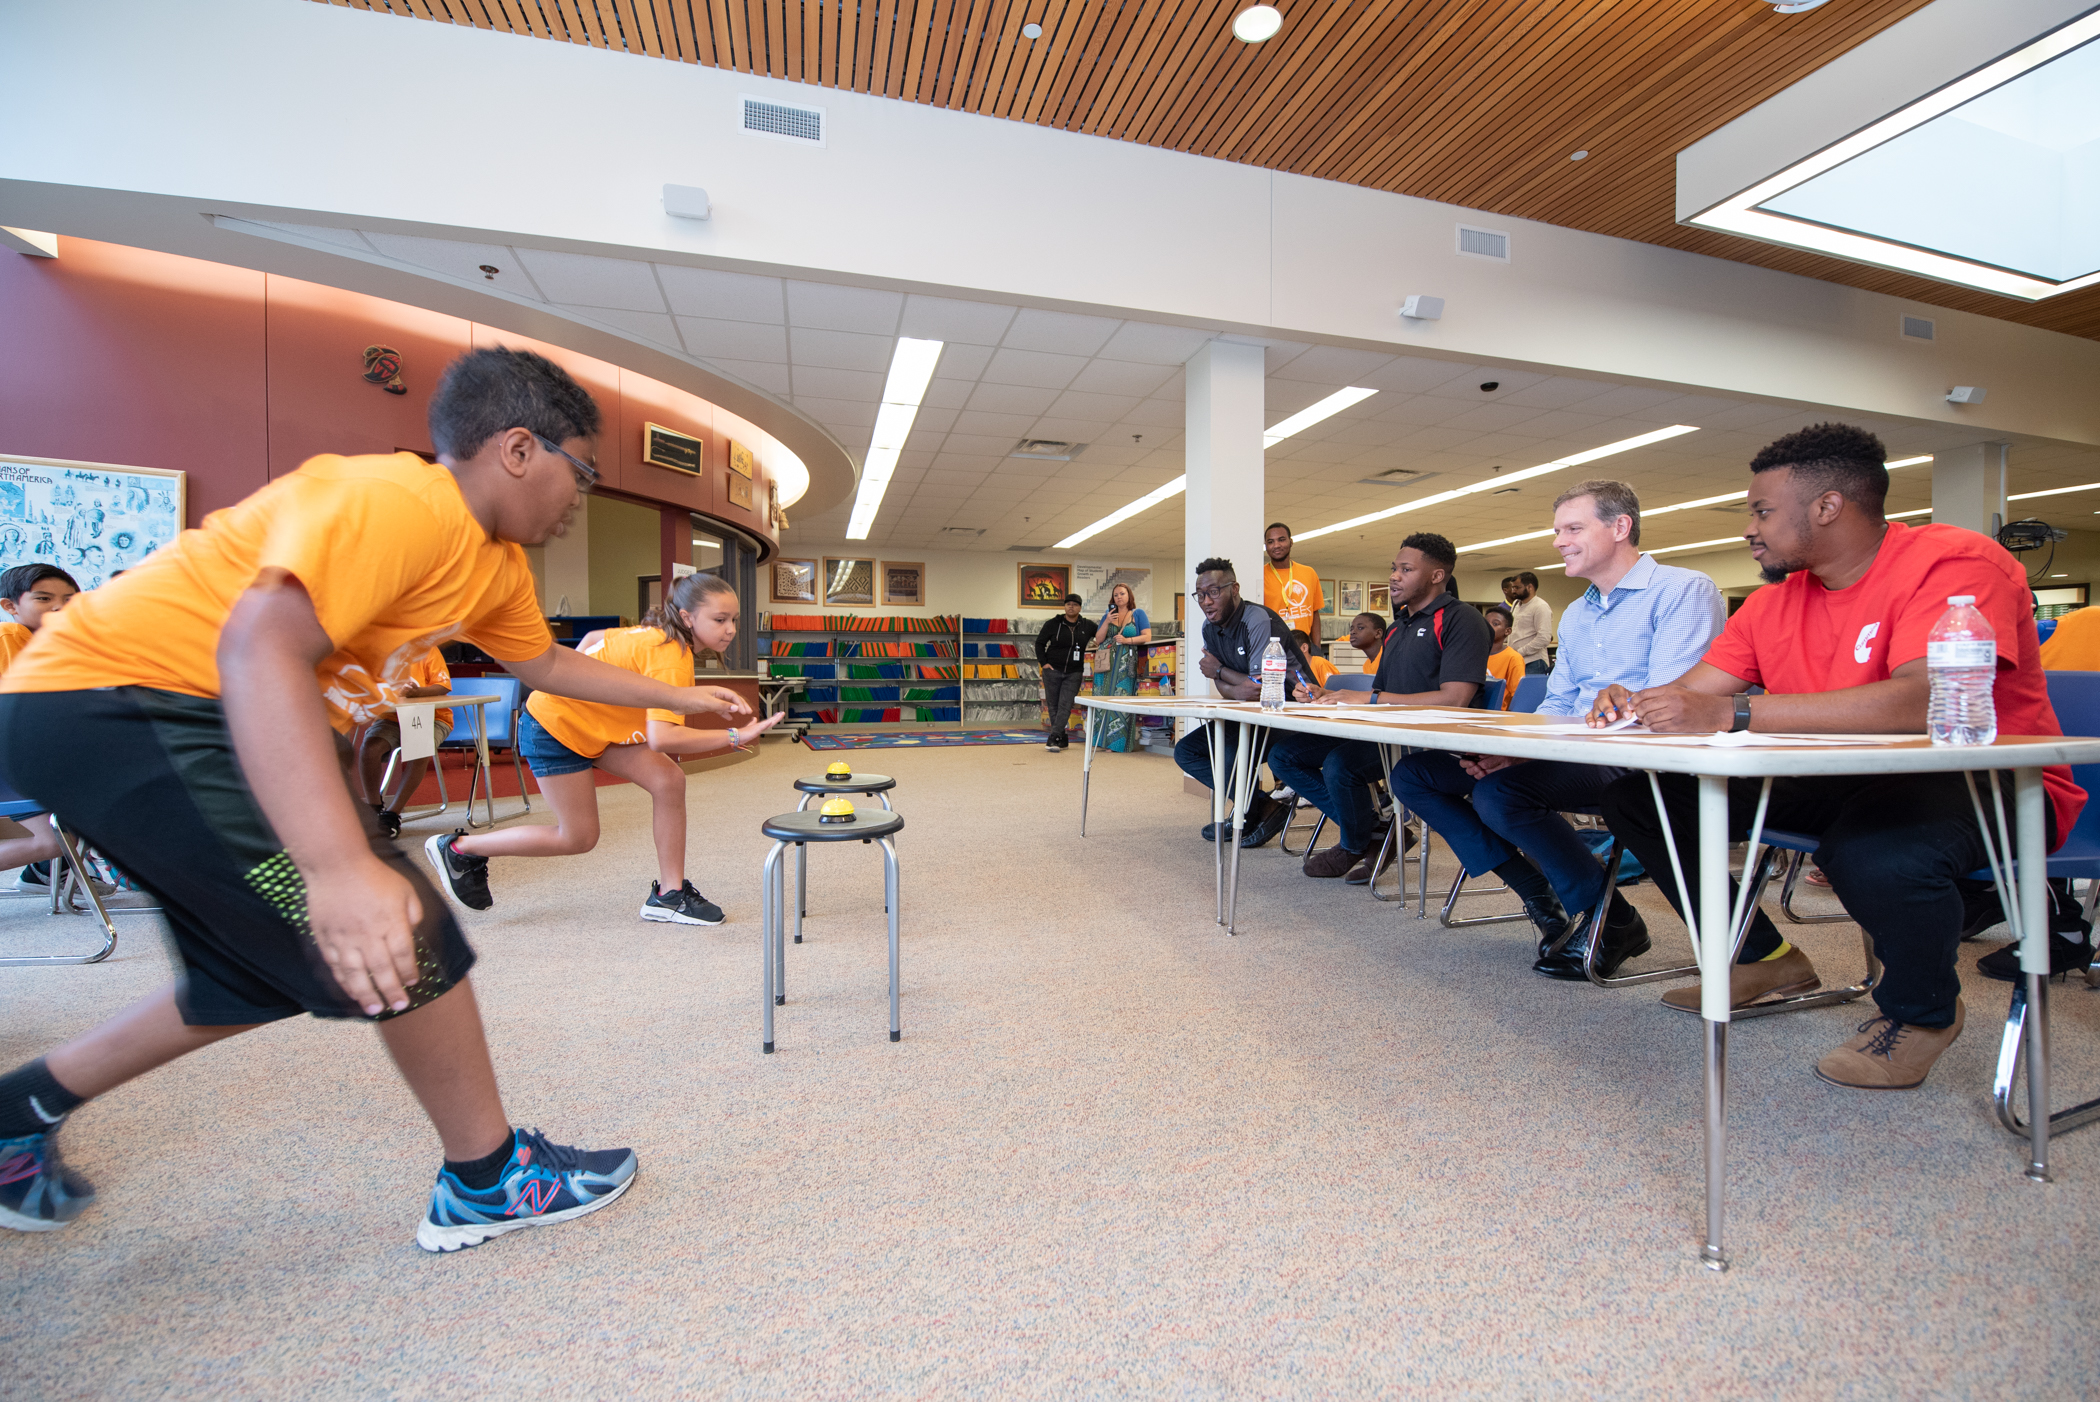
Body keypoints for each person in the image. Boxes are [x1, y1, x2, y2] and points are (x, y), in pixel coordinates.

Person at [0, 346, 759, 1248]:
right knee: (394, 923)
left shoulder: (493, 563)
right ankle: (486, 1178)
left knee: (248, 975)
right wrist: (334, 866)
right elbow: (260, 649)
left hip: (158, 714)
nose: (578, 497)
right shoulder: (397, 503)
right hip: (128, 699)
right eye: (581, 472)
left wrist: (679, 698)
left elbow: (546, 664)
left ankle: (19, 1111)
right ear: (520, 449)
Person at [1593, 423, 2085, 1090]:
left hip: (1983, 777)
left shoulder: (1954, 564)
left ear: (1827, 506)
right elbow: (1691, 695)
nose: (1749, 528)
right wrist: (1635, 702)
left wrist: (1735, 712)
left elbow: (1924, 701)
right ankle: (1759, 957)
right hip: (1844, 778)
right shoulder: (1774, 603)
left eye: (1762, 511)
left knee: (1875, 847)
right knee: (1640, 793)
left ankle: (1922, 1012)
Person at [1389, 483, 1723, 975]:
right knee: (1416, 775)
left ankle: (1609, 920)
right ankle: (1539, 894)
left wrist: (1531, 757)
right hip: (1574, 750)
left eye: (1572, 529)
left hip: (1638, 757)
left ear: (1620, 527)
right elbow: (1560, 703)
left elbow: (1668, 707)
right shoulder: (1581, 612)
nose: (1558, 541)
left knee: (1500, 795)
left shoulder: (1682, 590)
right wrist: (1520, 749)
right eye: (1557, 531)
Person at [429, 570, 783, 926]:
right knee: (578, 837)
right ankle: (461, 850)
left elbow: (593, 638)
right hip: (552, 729)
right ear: (688, 617)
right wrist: (736, 737)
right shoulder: (671, 654)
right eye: (720, 620)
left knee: (668, 780)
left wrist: (590, 695)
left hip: (593, 730)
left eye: (734, 620)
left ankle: (669, 894)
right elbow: (664, 739)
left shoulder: (654, 634)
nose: (731, 629)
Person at [1274, 533, 1492, 881]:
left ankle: (1355, 841)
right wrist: (1322, 694)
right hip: (1387, 731)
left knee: (1339, 764)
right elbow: (1382, 692)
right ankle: (1377, 832)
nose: (1394, 576)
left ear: (1437, 576)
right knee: (1285, 755)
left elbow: (1454, 699)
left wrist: (1371, 698)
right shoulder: (1397, 628)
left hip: (1431, 738)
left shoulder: (1461, 620)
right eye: (1394, 568)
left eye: (1406, 569)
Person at [1172, 557, 1318, 848]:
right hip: (1253, 715)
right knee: (1187, 752)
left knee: (1229, 749)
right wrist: (1234, 686)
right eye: (1200, 594)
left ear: (1234, 588)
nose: (1206, 601)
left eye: (1214, 591)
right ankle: (1259, 807)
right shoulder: (1208, 629)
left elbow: (1260, 688)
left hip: (1291, 714)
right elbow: (1232, 690)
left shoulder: (1257, 619)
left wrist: (1221, 672)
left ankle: (1248, 812)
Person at [0, 564, 80, 889]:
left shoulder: (55, 645)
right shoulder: (12, 635)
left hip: (23, 759)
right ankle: (48, 868)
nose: (60, 607)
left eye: (70, 599)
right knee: (51, 842)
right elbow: (17, 709)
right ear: (11, 606)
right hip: (11, 761)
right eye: (44, 598)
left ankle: (46, 873)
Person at [351, 646, 452, 841]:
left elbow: (443, 686)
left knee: (419, 747)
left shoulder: (427, 649)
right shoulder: (380, 649)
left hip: (431, 716)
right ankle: (374, 808)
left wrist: (418, 692)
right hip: (390, 717)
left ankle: (392, 814)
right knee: (369, 749)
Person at [1090, 583, 1152, 754]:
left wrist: (1127, 641)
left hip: (1126, 663)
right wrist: (1107, 621)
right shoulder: (1108, 614)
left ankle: (1117, 744)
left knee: (1121, 699)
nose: (1119, 597)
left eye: (1122, 594)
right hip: (1106, 664)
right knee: (1102, 700)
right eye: (1115, 594)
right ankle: (1101, 741)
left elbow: (1147, 635)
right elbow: (1098, 639)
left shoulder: (1138, 614)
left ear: (1129, 595)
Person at [1034, 592, 1092, 751]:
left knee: (1065, 704)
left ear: (1080, 607)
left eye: (1075, 604)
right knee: (1053, 705)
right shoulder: (1053, 624)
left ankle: (1053, 738)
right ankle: (1061, 736)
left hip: (1074, 672)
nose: (1071, 606)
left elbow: (1102, 634)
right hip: (1052, 670)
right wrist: (1044, 663)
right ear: (1064, 606)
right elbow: (1039, 643)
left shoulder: (1087, 625)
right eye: (1068, 604)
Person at [1262, 522, 1325, 648]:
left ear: (1291, 542)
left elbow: (1315, 613)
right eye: (1271, 542)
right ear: (1266, 546)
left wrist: (1317, 648)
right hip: (1273, 646)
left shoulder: (1309, 573)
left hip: (1304, 647)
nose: (1276, 545)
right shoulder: (1260, 575)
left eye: (1281, 540)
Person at [1503, 572, 1554, 675]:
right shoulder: (1516, 604)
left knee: (1529, 691)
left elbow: (1544, 638)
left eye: (1517, 587)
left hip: (1534, 663)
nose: (1513, 591)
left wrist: (1520, 652)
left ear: (1529, 587)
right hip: (1517, 660)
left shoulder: (1540, 606)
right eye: (1513, 588)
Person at [1482, 603, 1526, 710]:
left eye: (1495, 624)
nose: (1489, 627)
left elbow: (1518, 695)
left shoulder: (1513, 658)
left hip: (1499, 714)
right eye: (1486, 623)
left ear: (1508, 631)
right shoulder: (1472, 654)